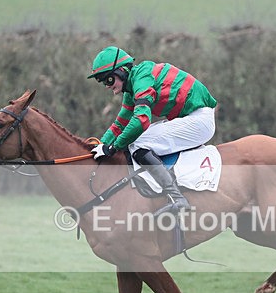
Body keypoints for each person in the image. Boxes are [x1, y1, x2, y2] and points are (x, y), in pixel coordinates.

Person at [87, 46, 217, 214]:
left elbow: (142, 120)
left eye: (108, 80)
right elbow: (119, 126)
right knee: (133, 140)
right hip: (190, 119)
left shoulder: (143, 76)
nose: (106, 85)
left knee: (139, 142)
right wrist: (99, 146)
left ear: (121, 71)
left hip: (199, 120)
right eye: (102, 82)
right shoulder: (131, 89)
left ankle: (176, 198)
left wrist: (112, 148)